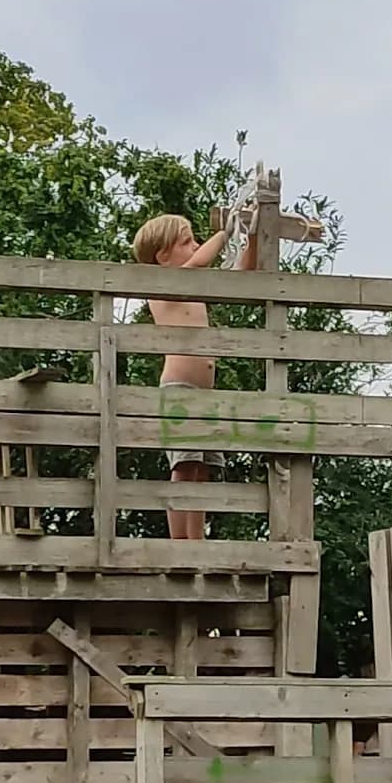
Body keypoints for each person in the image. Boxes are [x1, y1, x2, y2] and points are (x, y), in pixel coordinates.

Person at [131, 213, 257, 539]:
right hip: (179, 390)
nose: (197, 245)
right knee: (184, 466)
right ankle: (179, 544)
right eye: (188, 241)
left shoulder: (194, 285)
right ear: (163, 256)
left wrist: (253, 235)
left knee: (202, 470)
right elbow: (200, 262)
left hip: (204, 395)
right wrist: (225, 234)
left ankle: (196, 542)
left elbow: (243, 275)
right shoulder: (161, 287)